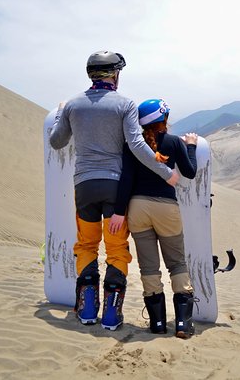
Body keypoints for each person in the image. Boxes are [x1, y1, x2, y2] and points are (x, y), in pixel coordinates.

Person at [49, 51, 179, 331]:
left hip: (84, 187)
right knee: (116, 249)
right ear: (115, 75)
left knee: (86, 245)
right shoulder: (125, 105)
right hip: (114, 187)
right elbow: (137, 145)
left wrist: (61, 113)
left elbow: (57, 142)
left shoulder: (73, 105)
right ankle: (110, 316)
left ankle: (86, 310)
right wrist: (166, 173)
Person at [109, 98, 198, 338]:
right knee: (177, 263)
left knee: (149, 267)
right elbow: (190, 172)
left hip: (137, 209)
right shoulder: (173, 142)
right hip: (166, 208)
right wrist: (190, 146)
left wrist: (119, 211)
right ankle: (182, 324)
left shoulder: (132, 146)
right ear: (164, 119)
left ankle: (157, 324)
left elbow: (125, 179)